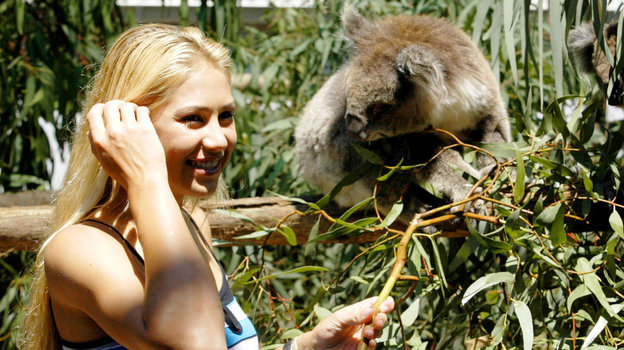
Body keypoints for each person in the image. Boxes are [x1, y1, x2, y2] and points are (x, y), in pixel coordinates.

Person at [18, 24, 394, 350]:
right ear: (128, 126)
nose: (218, 139)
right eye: (192, 118)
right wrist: (145, 178)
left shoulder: (190, 221)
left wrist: (305, 345)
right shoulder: (83, 249)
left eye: (225, 116)